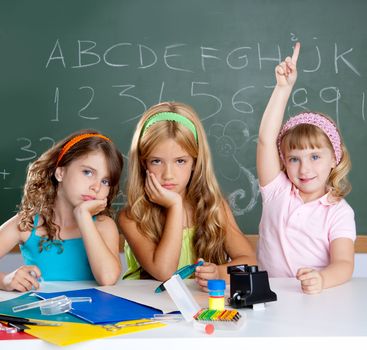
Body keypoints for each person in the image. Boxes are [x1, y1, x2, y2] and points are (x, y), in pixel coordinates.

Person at [118, 102, 256, 290]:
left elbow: (249, 262)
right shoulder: (133, 217)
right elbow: (165, 273)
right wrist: (175, 206)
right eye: (156, 161)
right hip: (146, 308)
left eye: (180, 161)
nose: (168, 174)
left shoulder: (214, 206)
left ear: (195, 162)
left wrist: (219, 273)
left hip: (197, 306)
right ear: (143, 164)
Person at [257, 42, 356, 294]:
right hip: (269, 296)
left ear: (334, 158)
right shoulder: (276, 191)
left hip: (315, 298)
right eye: (294, 159)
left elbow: (344, 264)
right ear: (284, 162)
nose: (304, 168)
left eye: (314, 156)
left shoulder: (338, 212)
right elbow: (266, 139)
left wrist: (322, 279)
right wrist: (283, 88)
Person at [0, 130, 124, 292]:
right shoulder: (27, 222)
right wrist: (4, 281)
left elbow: (107, 278)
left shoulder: (103, 226)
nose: (96, 187)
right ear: (60, 172)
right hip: (41, 314)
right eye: (87, 172)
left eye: (105, 181)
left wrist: (83, 216)